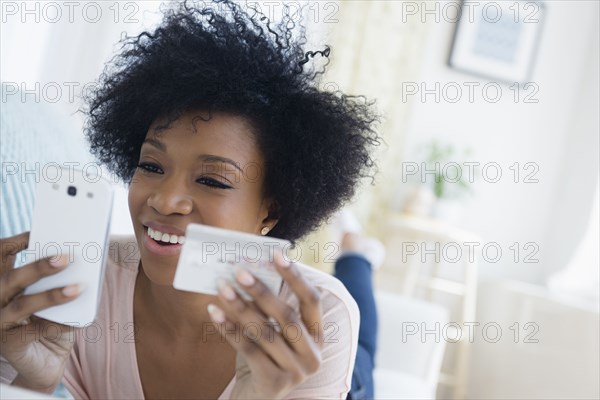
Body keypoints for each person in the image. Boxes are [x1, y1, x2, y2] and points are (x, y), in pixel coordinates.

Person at [0, 1, 381, 399]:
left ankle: (357, 255)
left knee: (366, 353)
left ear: (271, 208)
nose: (166, 201)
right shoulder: (80, 291)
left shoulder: (325, 317)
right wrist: (34, 384)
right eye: (151, 165)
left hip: (342, 379)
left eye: (212, 180)